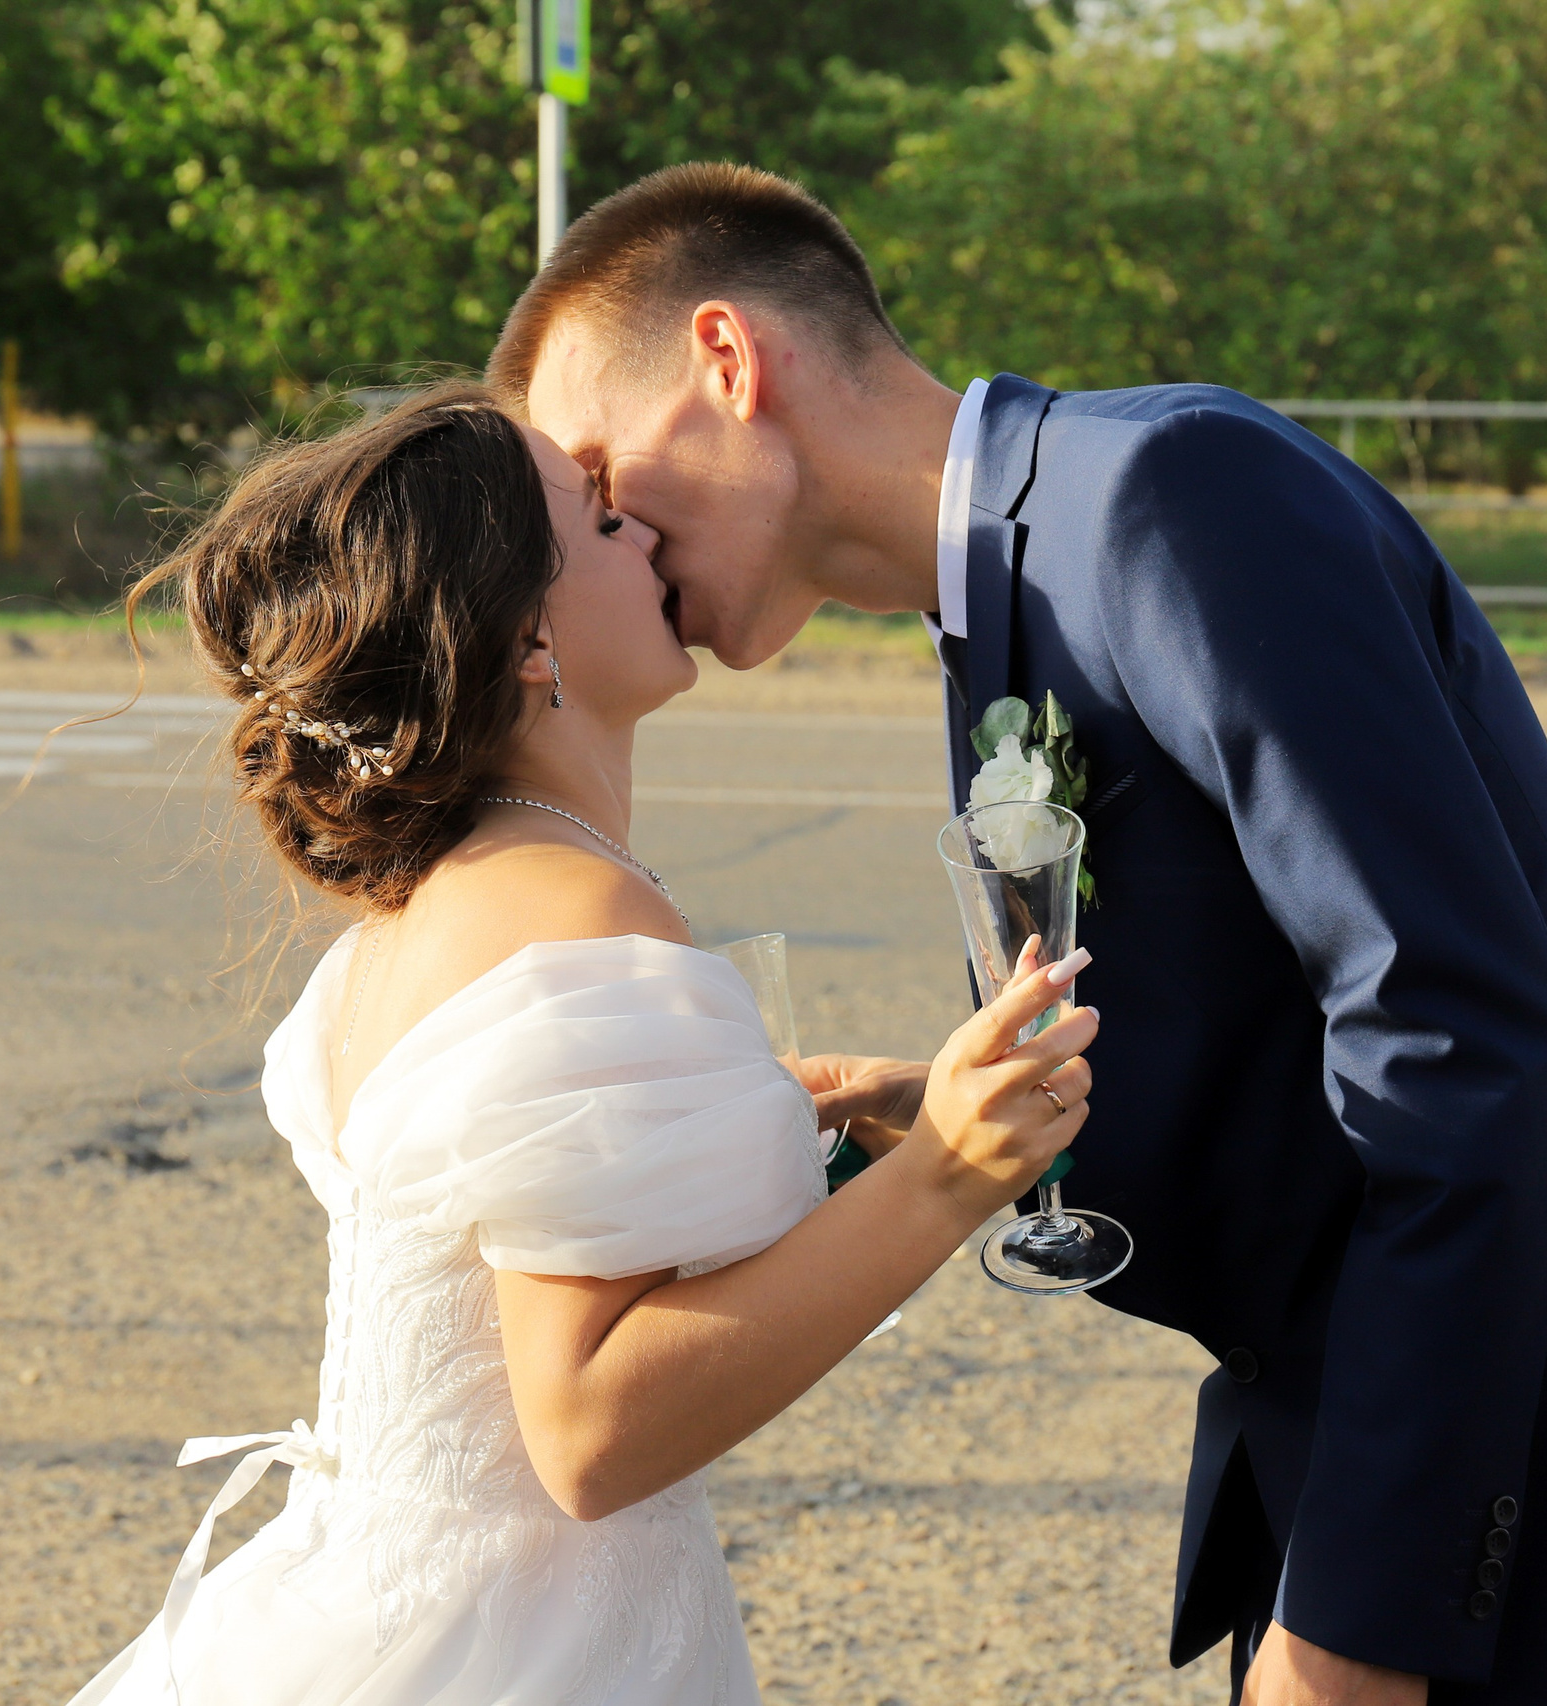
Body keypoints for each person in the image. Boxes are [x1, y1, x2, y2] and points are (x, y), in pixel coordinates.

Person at [487, 163, 1547, 1706]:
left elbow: (1465, 1041)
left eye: (599, 471)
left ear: (729, 359)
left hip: (1545, 1530)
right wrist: (955, 1108)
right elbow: (1267, 1009)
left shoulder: (1169, 498)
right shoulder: (998, 592)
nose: (609, 538)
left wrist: (1361, 1626)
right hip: (1349, 1479)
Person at [67, 384, 1100, 1705]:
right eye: (606, 520)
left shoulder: (431, 901)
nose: (654, 539)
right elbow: (589, 1432)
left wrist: (798, 1115)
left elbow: (516, 1231)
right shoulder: (578, 905)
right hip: (521, 1652)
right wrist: (948, 1170)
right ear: (527, 635)